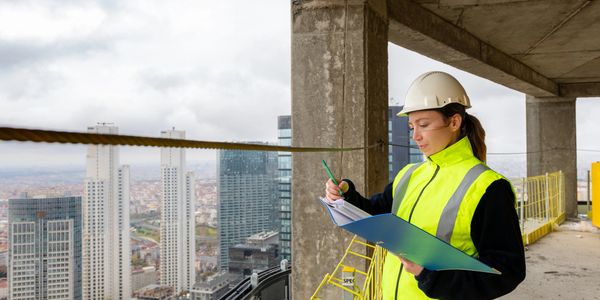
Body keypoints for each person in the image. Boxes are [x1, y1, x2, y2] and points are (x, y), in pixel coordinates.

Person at [325, 71, 526, 299]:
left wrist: (435, 278)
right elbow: (376, 213)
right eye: (412, 127)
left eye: (423, 125)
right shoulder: (409, 175)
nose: (415, 136)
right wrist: (346, 195)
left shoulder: (488, 187)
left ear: (454, 122)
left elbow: (507, 271)